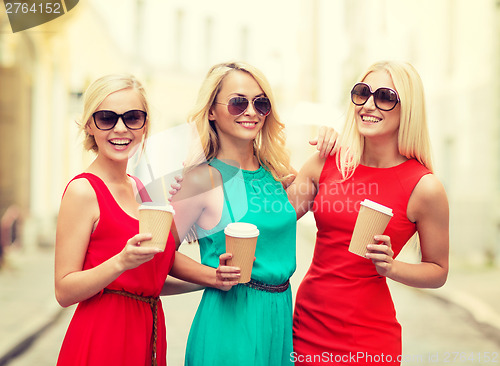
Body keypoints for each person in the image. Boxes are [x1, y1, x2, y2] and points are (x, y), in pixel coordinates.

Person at [168, 61, 338, 366]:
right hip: (229, 321)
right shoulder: (199, 179)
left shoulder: (277, 175)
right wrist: (212, 276)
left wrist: (337, 140)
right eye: (237, 102)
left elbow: (334, 175)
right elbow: (160, 254)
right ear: (211, 111)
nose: (251, 111)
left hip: (280, 319)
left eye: (261, 103)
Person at [290, 61, 449, 365]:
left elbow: (438, 270)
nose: (369, 105)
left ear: (408, 108)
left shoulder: (425, 187)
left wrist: (392, 267)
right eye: (362, 93)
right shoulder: (326, 163)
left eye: (385, 97)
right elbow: (273, 219)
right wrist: (204, 181)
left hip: (369, 338)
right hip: (308, 325)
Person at [55, 74, 176, 366]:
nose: (120, 128)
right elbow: (64, 290)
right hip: (103, 338)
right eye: (106, 118)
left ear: (145, 125)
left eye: (133, 117)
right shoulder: (83, 190)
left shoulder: (140, 187)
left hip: (148, 330)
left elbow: (147, 279)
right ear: (89, 125)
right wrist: (120, 261)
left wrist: (215, 280)